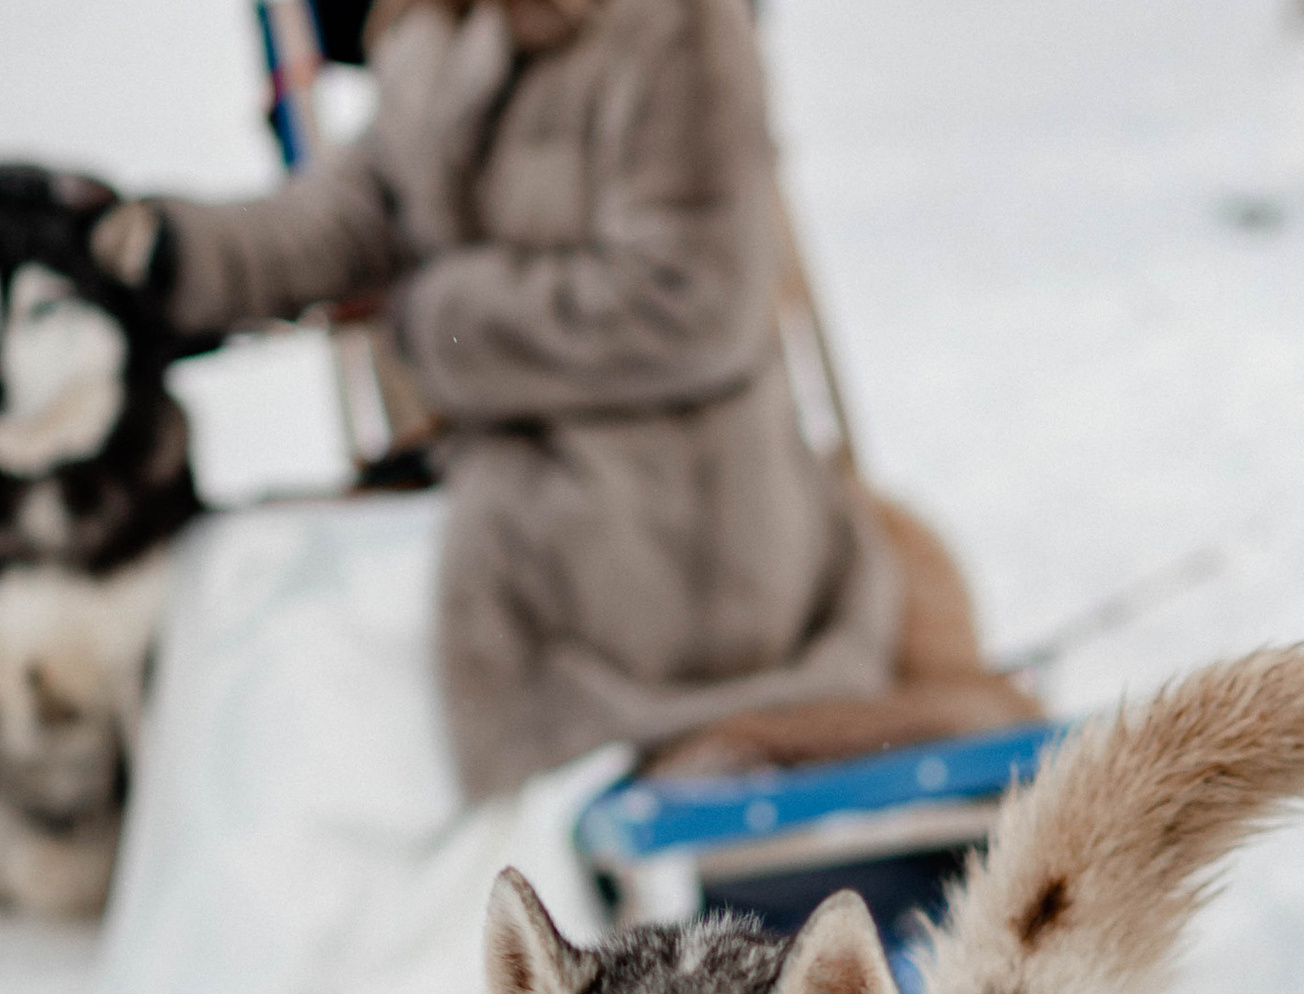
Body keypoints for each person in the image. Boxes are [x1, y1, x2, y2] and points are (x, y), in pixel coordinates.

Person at [93, 0, 1036, 800]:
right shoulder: (439, 29)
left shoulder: (669, 26)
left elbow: (689, 303)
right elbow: (346, 217)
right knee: (246, 584)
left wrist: (444, 323)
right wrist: (158, 251)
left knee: (309, 638)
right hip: (525, 499)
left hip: (678, 524)